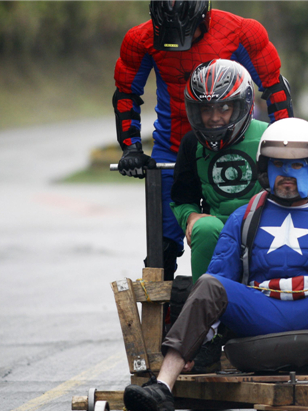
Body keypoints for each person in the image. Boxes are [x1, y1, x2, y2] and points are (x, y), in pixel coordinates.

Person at [123, 118, 308, 411]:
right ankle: (162, 387)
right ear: (265, 170)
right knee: (209, 284)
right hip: (262, 310)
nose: (286, 174)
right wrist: (200, 337)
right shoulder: (245, 216)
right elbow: (216, 281)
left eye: (296, 165)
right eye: (278, 165)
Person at [171, 59, 308, 372]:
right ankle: (207, 337)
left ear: (242, 106)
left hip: (270, 219)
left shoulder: (273, 135)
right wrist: (190, 216)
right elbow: (181, 196)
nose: (214, 119)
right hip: (221, 231)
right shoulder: (191, 144)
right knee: (206, 229)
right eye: (206, 111)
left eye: (223, 109)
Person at [113, 0, 294, 279]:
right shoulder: (140, 39)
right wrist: (131, 147)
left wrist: (286, 144)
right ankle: (172, 317)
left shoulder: (241, 32)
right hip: (173, 147)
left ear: (203, 17)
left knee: (258, 223)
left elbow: (273, 86)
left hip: (234, 143)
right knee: (163, 245)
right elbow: (126, 91)